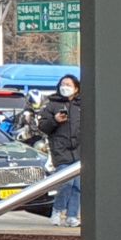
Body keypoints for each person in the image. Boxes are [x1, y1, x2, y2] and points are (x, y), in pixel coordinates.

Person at [37, 74, 82, 228]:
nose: (65, 87)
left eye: (69, 84)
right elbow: (43, 126)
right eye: (63, 84)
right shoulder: (52, 105)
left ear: (76, 88)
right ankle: (57, 210)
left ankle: (72, 215)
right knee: (66, 182)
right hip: (61, 150)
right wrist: (55, 120)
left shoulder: (82, 105)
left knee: (78, 185)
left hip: (80, 150)